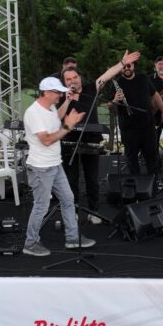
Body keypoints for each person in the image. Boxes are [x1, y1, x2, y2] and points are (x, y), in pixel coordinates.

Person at [22, 77, 97, 257]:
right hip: (41, 168)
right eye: (57, 92)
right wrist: (68, 127)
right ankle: (30, 243)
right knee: (41, 206)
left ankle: (72, 238)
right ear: (46, 93)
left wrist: (68, 101)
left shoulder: (51, 107)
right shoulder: (33, 113)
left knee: (68, 199)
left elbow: (55, 118)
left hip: (55, 164)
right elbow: (47, 140)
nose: (60, 95)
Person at [59, 66, 104, 225]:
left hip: (91, 140)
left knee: (92, 179)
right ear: (64, 82)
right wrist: (67, 100)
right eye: (68, 79)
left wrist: (122, 63)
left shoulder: (90, 89)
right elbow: (57, 117)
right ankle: (73, 211)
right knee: (71, 179)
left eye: (75, 77)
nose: (72, 81)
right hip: (69, 141)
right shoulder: (62, 96)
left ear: (80, 78)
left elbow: (106, 75)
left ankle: (93, 211)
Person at [110, 59, 163, 179]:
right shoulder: (117, 83)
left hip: (147, 126)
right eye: (124, 67)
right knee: (132, 161)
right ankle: (136, 186)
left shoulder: (143, 78)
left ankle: (153, 185)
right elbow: (110, 106)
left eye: (129, 66)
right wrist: (115, 100)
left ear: (133, 66)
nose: (126, 68)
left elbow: (155, 95)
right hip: (128, 129)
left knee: (152, 158)